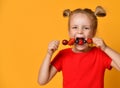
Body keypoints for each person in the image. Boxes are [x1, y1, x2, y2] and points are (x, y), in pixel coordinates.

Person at [38, 6, 120, 88]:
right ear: (69, 32)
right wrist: (49, 54)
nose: (80, 31)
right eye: (75, 27)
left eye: (86, 28)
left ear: (93, 32)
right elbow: (42, 81)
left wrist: (106, 48)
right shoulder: (63, 55)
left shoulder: (100, 54)